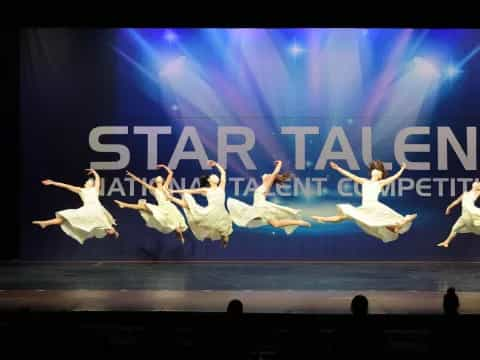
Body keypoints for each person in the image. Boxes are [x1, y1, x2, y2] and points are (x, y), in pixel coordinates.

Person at [312, 161, 417, 242]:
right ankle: (323, 219)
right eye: (374, 169)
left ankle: (400, 223)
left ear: (380, 175)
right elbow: (350, 175)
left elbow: (395, 177)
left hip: (374, 206)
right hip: (365, 208)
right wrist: (338, 168)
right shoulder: (364, 181)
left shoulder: (380, 183)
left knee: (379, 222)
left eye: (378, 170)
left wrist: (402, 169)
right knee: (344, 216)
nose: (375, 170)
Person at [32, 168, 118, 244]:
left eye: (91, 181)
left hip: (96, 210)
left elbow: (98, 180)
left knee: (107, 226)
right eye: (88, 181)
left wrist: (94, 172)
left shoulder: (95, 189)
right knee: (65, 218)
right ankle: (45, 223)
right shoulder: (81, 190)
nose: (89, 181)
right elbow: (66, 186)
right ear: (86, 184)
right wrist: (53, 183)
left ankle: (111, 231)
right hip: (88, 210)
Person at [227, 160, 311, 234]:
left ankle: (298, 222)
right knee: (276, 224)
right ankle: (299, 222)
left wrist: (279, 164)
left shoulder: (266, 185)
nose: (266, 174)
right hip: (260, 208)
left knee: (238, 209)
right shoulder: (264, 185)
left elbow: (274, 173)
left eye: (269, 175)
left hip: (261, 207)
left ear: (270, 178)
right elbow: (273, 175)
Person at [114, 164, 187, 243]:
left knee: (177, 227)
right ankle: (124, 204)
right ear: (155, 181)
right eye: (157, 178)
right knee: (142, 206)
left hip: (170, 207)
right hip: (161, 208)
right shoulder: (153, 189)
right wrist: (131, 175)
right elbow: (140, 181)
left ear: (162, 180)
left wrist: (163, 166)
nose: (158, 178)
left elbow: (171, 173)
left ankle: (180, 237)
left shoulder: (165, 186)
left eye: (160, 177)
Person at [167, 160, 233, 247]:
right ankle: (171, 198)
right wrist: (174, 191)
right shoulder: (206, 190)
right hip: (210, 212)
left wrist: (216, 164)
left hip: (221, 213)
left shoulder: (221, 187)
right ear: (210, 181)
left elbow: (223, 173)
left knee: (225, 234)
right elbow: (190, 191)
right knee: (188, 199)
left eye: (215, 176)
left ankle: (224, 239)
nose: (215, 176)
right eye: (213, 176)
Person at [437, 180, 480, 248]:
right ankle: (446, 242)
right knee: (454, 228)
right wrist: (449, 207)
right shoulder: (465, 193)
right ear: (473, 184)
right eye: (477, 183)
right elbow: (456, 201)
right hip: (464, 215)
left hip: (473, 212)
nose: (477, 184)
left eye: (479, 184)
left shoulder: (478, 192)